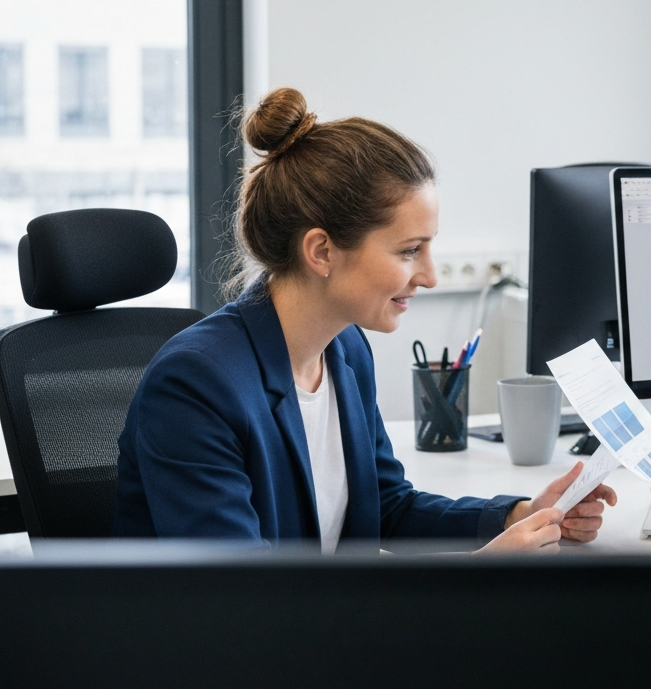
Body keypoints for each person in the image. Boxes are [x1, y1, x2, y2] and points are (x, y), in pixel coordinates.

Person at [114, 87, 615, 553]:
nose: (430, 276)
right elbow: (245, 602)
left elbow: (386, 509)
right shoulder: (196, 383)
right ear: (322, 251)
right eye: (409, 250)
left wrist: (517, 516)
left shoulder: (346, 350)